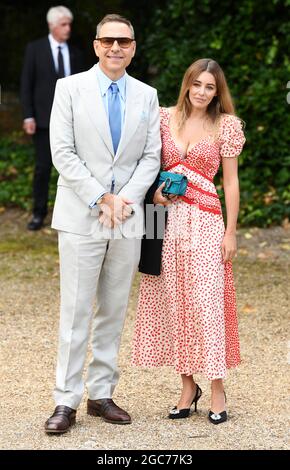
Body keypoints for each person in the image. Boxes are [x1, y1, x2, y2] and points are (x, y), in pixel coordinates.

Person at [45, 14, 161, 433]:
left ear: (133, 46)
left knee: (114, 310)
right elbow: (62, 151)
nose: (116, 48)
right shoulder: (69, 88)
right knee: (75, 311)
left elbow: (151, 156)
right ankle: (65, 401)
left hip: (128, 218)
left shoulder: (147, 95)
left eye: (124, 42)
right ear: (95, 45)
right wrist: (101, 197)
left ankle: (101, 394)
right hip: (82, 214)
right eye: (108, 41)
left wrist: (126, 200)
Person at [132, 58, 246, 425]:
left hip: (206, 221)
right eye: (196, 84)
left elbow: (230, 182)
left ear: (217, 92)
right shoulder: (164, 117)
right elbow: (145, 164)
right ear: (187, 84)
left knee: (206, 303)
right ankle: (186, 386)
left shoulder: (226, 125)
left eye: (209, 87)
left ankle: (217, 388)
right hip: (162, 221)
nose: (201, 92)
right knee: (171, 302)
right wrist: (154, 195)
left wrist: (231, 231)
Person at [20, 5, 85, 231]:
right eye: (63, 24)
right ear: (52, 25)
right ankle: (39, 213)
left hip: (75, 121)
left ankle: (73, 215)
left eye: (69, 24)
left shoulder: (76, 53)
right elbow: (26, 85)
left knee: (75, 168)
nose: (68, 29)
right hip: (44, 121)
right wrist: (28, 115)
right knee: (43, 167)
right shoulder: (34, 49)